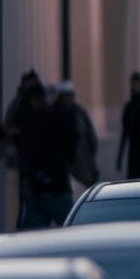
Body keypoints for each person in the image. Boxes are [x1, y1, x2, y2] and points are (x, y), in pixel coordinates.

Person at [14, 80, 76, 230]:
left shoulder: (28, 121)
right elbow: (71, 144)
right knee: (73, 227)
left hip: (39, 188)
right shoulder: (59, 117)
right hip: (56, 185)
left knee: (32, 234)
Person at [49, 82, 98, 188]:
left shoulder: (79, 112)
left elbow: (90, 136)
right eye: (66, 95)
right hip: (61, 163)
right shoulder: (52, 113)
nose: (68, 98)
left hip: (81, 162)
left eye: (70, 95)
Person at [117, 72, 140, 179]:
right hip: (135, 151)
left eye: (138, 83)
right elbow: (125, 133)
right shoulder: (130, 106)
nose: (135, 86)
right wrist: (120, 157)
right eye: (134, 83)